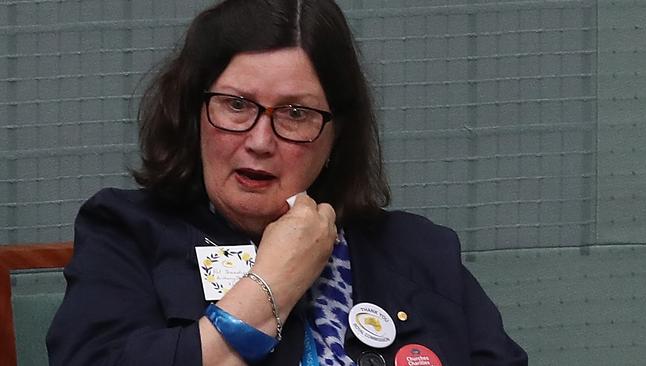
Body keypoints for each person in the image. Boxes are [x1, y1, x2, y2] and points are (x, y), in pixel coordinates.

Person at [47, 0, 528, 365]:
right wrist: (271, 285)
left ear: (336, 134)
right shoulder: (124, 231)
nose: (259, 141)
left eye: (296, 113)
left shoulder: (419, 250)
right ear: (193, 110)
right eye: (236, 104)